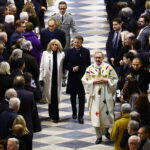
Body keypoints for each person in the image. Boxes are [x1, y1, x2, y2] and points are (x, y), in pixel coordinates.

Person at [82, 51, 118, 142]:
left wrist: (106, 80)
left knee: (106, 115)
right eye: (96, 57)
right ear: (94, 58)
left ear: (103, 58)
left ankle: (106, 131)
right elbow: (84, 80)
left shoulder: (108, 67)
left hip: (105, 95)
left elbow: (115, 79)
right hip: (94, 96)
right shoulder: (90, 68)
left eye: (99, 57)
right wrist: (93, 81)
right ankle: (98, 136)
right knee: (96, 116)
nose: (98, 59)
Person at [64, 35, 91, 124]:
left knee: (81, 98)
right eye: (75, 42)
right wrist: (72, 68)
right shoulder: (69, 51)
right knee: (72, 96)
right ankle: (74, 112)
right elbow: (65, 64)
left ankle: (81, 116)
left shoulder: (86, 51)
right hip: (72, 76)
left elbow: (88, 64)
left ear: (81, 42)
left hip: (82, 76)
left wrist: (81, 68)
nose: (76, 44)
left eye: (78, 42)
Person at [39, 39, 64, 123]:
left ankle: (56, 116)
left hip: (57, 79)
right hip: (48, 79)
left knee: (55, 98)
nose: (54, 46)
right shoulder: (45, 53)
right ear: (50, 45)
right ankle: (51, 114)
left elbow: (64, 67)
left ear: (58, 46)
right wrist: (41, 78)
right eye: (52, 44)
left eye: (55, 45)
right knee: (49, 97)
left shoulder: (62, 54)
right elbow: (42, 67)